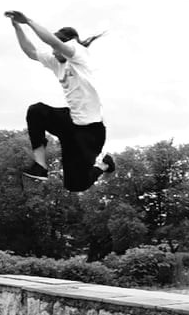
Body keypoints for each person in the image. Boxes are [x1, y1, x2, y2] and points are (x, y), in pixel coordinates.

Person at [6, 10, 115, 192]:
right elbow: (31, 51)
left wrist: (28, 21)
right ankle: (40, 166)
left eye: (56, 49)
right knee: (36, 111)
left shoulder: (78, 54)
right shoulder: (57, 61)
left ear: (66, 45)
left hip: (90, 132)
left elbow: (52, 41)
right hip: (70, 121)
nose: (53, 53)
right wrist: (17, 27)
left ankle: (103, 164)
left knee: (75, 186)